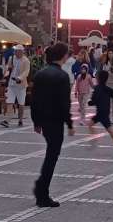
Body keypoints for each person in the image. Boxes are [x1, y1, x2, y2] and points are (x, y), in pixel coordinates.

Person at [31, 42, 74, 208]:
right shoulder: (62, 76)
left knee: (51, 154)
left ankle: (41, 188)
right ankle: (42, 191)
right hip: (56, 121)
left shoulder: (40, 74)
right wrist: (69, 123)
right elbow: (64, 104)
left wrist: (36, 121)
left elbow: (34, 100)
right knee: (52, 156)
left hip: (44, 121)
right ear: (63, 56)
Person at [87, 70, 113, 157]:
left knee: (109, 129)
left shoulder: (97, 88)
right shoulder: (106, 88)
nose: (96, 77)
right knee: (91, 124)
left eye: (97, 76)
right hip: (104, 111)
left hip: (102, 113)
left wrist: (90, 103)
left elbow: (94, 100)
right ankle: (95, 140)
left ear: (99, 78)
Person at [0, 45, 29, 128]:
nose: (16, 53)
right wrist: (6, 73)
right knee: (10, 101)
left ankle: (20, 120)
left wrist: (19, 78)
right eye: (15, 51)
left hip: (21, 85)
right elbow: (8, 68)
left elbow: (26, 72)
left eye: (17, 51)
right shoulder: (11, 58)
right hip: (11, 84)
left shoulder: (26, 61)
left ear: (21, 52)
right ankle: (7, 120)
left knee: (21, 103)